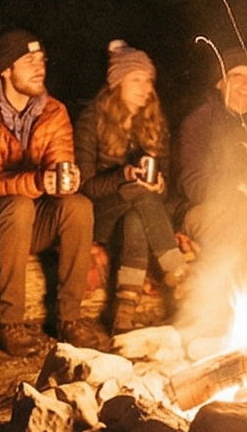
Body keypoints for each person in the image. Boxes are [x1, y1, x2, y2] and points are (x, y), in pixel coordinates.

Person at [0, 28, 106, 351]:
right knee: (18, 205)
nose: (40, 67)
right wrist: (39, 181)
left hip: (28, 218)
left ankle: (69, 317)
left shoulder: (53, 111)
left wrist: (64, 180)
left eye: (42, 59)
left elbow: (59, 167)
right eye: (29, 60)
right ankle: (8, 322)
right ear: (6, 69)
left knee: (77, 206)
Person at [76, 40, 191, 331]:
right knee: (137, 197)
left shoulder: (153, 120)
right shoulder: (92, 120)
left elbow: (161, 187)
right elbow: (86, 186)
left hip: (138, 212)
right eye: (136, 79)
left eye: (148, 80)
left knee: (136, 219)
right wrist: (125, 175)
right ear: (117, 82)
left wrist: (159, 185)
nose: (145, 88)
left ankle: (123, 312)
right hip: (99, 214)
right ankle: (178, 272)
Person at [177, 47, 247, 330]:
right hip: (202, 209)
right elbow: (193, 185)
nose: (246, 83)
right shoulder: (199, 122)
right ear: (220, 82)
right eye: (236, 75)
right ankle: (210, 317)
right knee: (239, 228)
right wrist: (244, 188)